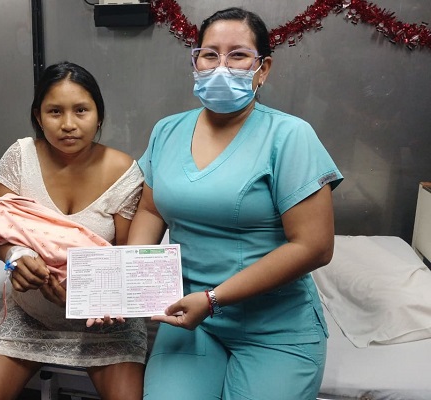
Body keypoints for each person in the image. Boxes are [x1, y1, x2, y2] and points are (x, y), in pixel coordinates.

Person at [127, 7, 343, 400]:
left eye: (238, 55)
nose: (221, 66)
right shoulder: (167, 131)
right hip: (190, 318)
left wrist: (213, 299)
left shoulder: (290, 136)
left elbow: (314, 246)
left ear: (263, 68)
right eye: (209, 54)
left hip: (275, 326)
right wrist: (130, 279)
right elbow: (151, 210)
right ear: (195, 62)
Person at [0, 61, 146, 400]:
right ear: (38, 116)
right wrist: (16, 257)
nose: (68, 124)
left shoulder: (123, 171)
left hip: (103, 319)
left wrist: (97, 298)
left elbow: (127, 255)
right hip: (32, 316)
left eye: (81, 110)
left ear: (99, 116)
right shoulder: (20, 158)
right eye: (55, 112)